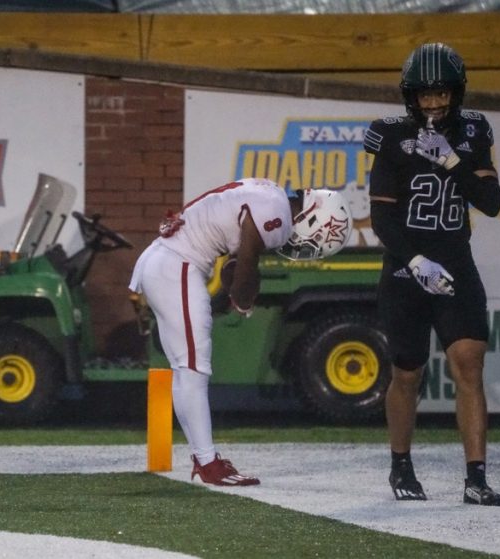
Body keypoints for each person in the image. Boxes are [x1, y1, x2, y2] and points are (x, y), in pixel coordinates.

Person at [129, 178, 351, 486]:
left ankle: (203, 458)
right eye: (313, 240)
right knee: (193, 368)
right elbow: (245, 264)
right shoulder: (276, 213)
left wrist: (223, 302)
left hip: (167, 261)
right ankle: (208, 463)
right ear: (315, 218)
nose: (302, 246)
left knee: (187, 369)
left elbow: (234, 266)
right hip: (177, 265)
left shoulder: (270, 195)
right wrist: (244, 302)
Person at [363, 42, 500, 505]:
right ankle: (401, 464)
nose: (433, 103)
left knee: (470, 365)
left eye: (441, 93)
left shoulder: (472, 131)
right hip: (408, 269)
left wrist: (452, 161)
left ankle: (476, 477)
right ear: (411, 96)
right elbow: (382, 218)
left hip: (456, 263)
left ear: (456, 92)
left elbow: (491, 202)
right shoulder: (389, 134)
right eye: (424, 95)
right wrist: (414, 262)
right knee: (408, 372)